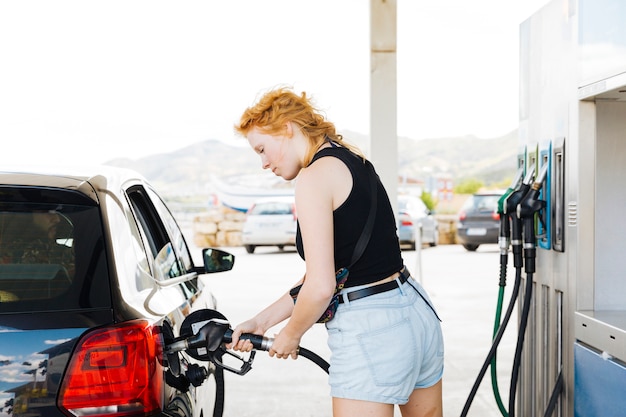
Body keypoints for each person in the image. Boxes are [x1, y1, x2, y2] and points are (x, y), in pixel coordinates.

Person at [229, 86, 444, 417]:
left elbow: (320, 287)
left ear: (286, 128)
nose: (263, 163)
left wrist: (290, 335)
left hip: (372, 326)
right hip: (415, 310)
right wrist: (262, 321)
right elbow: (330, 273)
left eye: (262, 149)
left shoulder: (313, 177)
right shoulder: (355, 162)